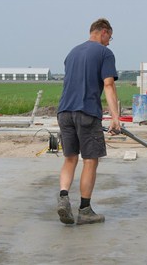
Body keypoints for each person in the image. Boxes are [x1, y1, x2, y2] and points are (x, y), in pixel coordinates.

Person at [56, 18, 121, 225]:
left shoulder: (72, 53)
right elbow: (108, 85)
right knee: (91, 160)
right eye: (109, 37)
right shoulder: (104, 53)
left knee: (70, 158)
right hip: (87, 112)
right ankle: (85, 210)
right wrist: (115, 118)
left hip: (64, 112)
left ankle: (64, 197)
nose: (109, 42)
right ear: (103, 32)